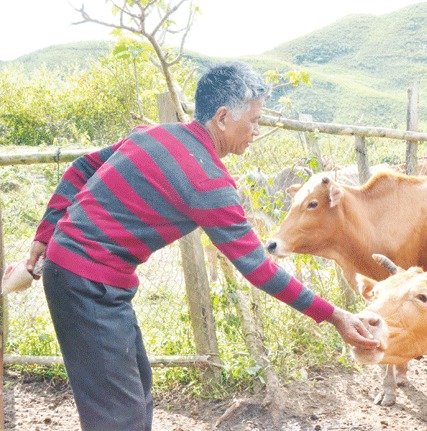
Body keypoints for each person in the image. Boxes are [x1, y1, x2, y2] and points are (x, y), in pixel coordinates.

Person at [26, 61, 379, 431]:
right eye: (254, 120)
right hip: (86, 283)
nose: (256, 131)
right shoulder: (209, 183)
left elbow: (81, 167)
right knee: (118, 418)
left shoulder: (153, 134)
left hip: (97, 280)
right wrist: (335, 315)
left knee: (137, 393)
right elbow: (259, 268)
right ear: (223, 117)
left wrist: (44, 234)